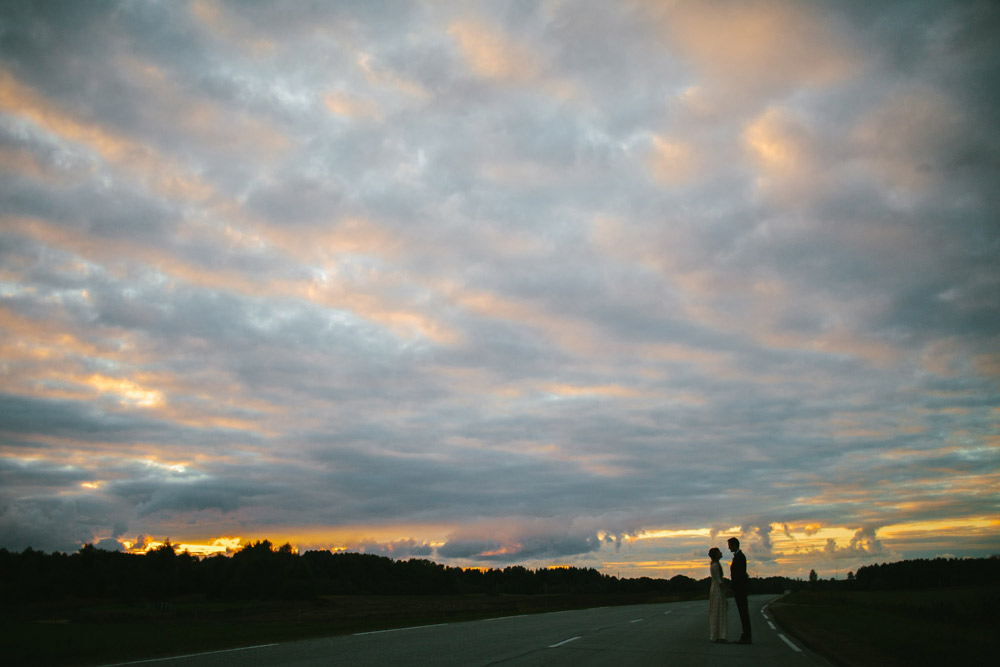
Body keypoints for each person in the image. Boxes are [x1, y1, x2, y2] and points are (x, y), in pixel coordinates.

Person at [728, 537, 751, 644]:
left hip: (740, 589)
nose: (728, 548)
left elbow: (739, 575)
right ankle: (746, 635)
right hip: (741, 588)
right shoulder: (739, 556)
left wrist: (734, 588)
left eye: (729, 545)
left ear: (734, 545)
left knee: (743, 613)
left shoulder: (740, 557)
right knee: (743, 613)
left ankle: (746, 636)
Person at [708, 547, 728, 642]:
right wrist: (728, 589)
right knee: (718, 610)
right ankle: (718, 635)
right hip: (717, 589)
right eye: (719, 552)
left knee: (718, 609)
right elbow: (719, 580)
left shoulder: (716, 564)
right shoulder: (715, 565)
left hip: (717, 588)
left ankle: (719, 634)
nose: (721, 553)